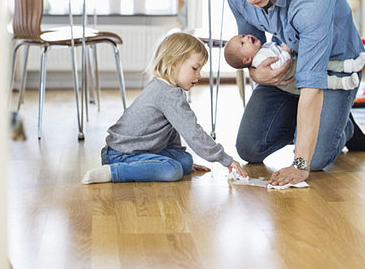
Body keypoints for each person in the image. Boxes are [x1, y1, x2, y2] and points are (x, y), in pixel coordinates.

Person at [223, 0, 365, 187]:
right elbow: (251, 46)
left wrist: (299, 163)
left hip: (332, 71)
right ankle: (320, 121)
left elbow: (312, 85)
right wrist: (256, 73)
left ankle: (341, 126)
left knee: (314, 161)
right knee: (249, 148)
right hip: (287, 62)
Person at [81, 32, 248, 184]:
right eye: (195, 68)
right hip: (122, 154)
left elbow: (172, 128)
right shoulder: (168, 94)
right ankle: (114, 172)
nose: (199, 75)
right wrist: (225, 159)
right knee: (172, 170)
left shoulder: (167, 88)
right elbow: (193, 133)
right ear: (173, 64)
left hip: (137, 150)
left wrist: (178, 155)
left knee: (185, 161)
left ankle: (154, 164)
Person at [224, 34, 365, 94]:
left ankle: (351, 65)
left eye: (243, 36)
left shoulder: (262, 49)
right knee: (320, 80)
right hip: (293, 77)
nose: (247, 37)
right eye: (243, 42)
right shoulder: (259, 60)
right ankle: (344, 83)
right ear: (247, 60)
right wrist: (285, 51)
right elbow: (278, 65)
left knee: (325, 63)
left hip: (295, 64)